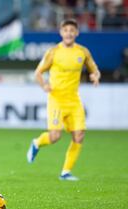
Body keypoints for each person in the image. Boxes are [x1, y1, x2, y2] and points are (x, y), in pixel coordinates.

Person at [26, 19, 100, 181]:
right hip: (57, 99)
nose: (69, 33)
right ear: (61, 33)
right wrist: (44, 85)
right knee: (55, 137)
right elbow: (38, 73)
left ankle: (65, 172)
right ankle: (37, 143)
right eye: (66, 30)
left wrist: (95, 76)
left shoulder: (83, 52)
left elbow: (94, 69)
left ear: (76, 33)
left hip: (74, 100)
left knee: (79, 135)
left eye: (72, 30)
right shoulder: (53, 52)